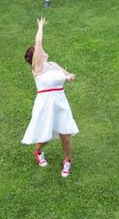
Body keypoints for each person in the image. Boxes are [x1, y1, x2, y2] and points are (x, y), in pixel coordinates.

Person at [22, 18, 78, 178]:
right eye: (38, 51)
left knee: (66, 136)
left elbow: (66, 75)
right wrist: (40, 26)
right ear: (35, 58)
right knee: (46, 136)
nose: (42, 50)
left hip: (60, 103)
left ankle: (67, 160)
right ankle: (38, 152)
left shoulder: (52, 64)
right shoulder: (37, 68)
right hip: (46, 105)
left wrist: (70, 76)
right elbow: (38, 42)